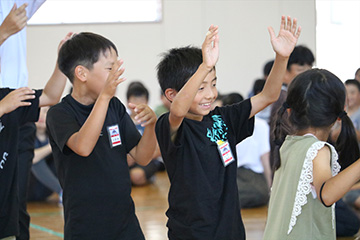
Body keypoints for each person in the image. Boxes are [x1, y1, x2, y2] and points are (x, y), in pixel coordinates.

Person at [155, 16, 300, 239]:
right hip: (192, 232)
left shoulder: (223, 118)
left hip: (230, 229)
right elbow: (178, 111)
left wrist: (281, 57)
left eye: (213, 84)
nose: (210, 94)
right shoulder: (171, 126)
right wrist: (205, 66)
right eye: (200, 88)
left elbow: (269, 96)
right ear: (171, 95)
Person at [46, 32, 158, 239]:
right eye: (110, 67)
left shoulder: (114, 107)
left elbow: (142, 156)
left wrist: (151, 126)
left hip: (125, 222)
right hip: (85, 225)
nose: (116, 73)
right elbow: (83, 146)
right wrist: (105, 96)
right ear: (82, 73)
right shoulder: (59, 114)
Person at [263, 69, 360, 239]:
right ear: (339, 114)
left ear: (289, 111)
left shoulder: (288, 143)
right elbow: (327, 194)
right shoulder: (317, 149)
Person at [0, 32, 69, 240]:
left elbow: (50, 96)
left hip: (4, 221)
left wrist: (61, 63)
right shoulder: (5, 103)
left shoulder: (9, 96)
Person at [1, 2, 47, 239]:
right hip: (3, 103)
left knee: (16, 205)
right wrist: (3, 32)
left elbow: (51, 96)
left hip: (17, 104)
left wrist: (62, 63)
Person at [269, 45, 315, 171]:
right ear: (285, 73)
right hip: (288, 166)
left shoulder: (298, 97)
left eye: (309, 70)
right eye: (300, 71)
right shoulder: (284, 99)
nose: (307, 76)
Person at [126, 81, 164, 185]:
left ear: (147, 101)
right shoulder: (124, 121)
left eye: (141, 99)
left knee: (136, 176)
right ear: (128, 101)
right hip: (127, 162)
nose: (138, 103)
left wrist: (139, 157)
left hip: (148, 160)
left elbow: (159, 148)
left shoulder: (152, 122)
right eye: (134, 99)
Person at [27, 106, 62, 202]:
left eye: (46, 112)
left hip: (44, 191)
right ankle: (62, 191)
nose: (41, 115)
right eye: (38, 111)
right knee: (33, 159)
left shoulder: (53, 135)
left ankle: (70, 191)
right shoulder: (25, 136)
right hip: (27, 188)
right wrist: (51, 146)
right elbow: (32, 158)